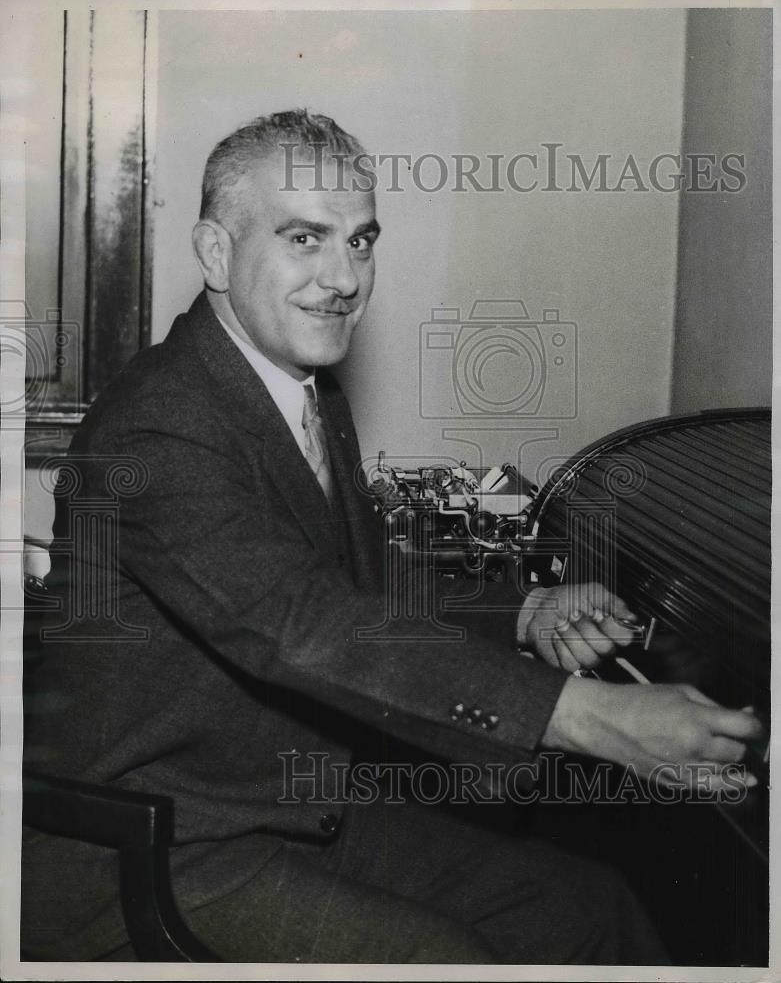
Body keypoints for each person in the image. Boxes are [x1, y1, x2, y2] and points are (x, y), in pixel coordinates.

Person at [22, 109, 763, 965]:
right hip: (150, 847)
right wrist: (594, 718)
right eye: (305, 238)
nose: (343, 278)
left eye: (361, 241)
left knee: (581, 907)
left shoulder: (301, 389)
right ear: (216, 253)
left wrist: (522, 612)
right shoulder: (156, 429)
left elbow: (362, 588)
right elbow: (301, 625)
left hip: (279, 803)